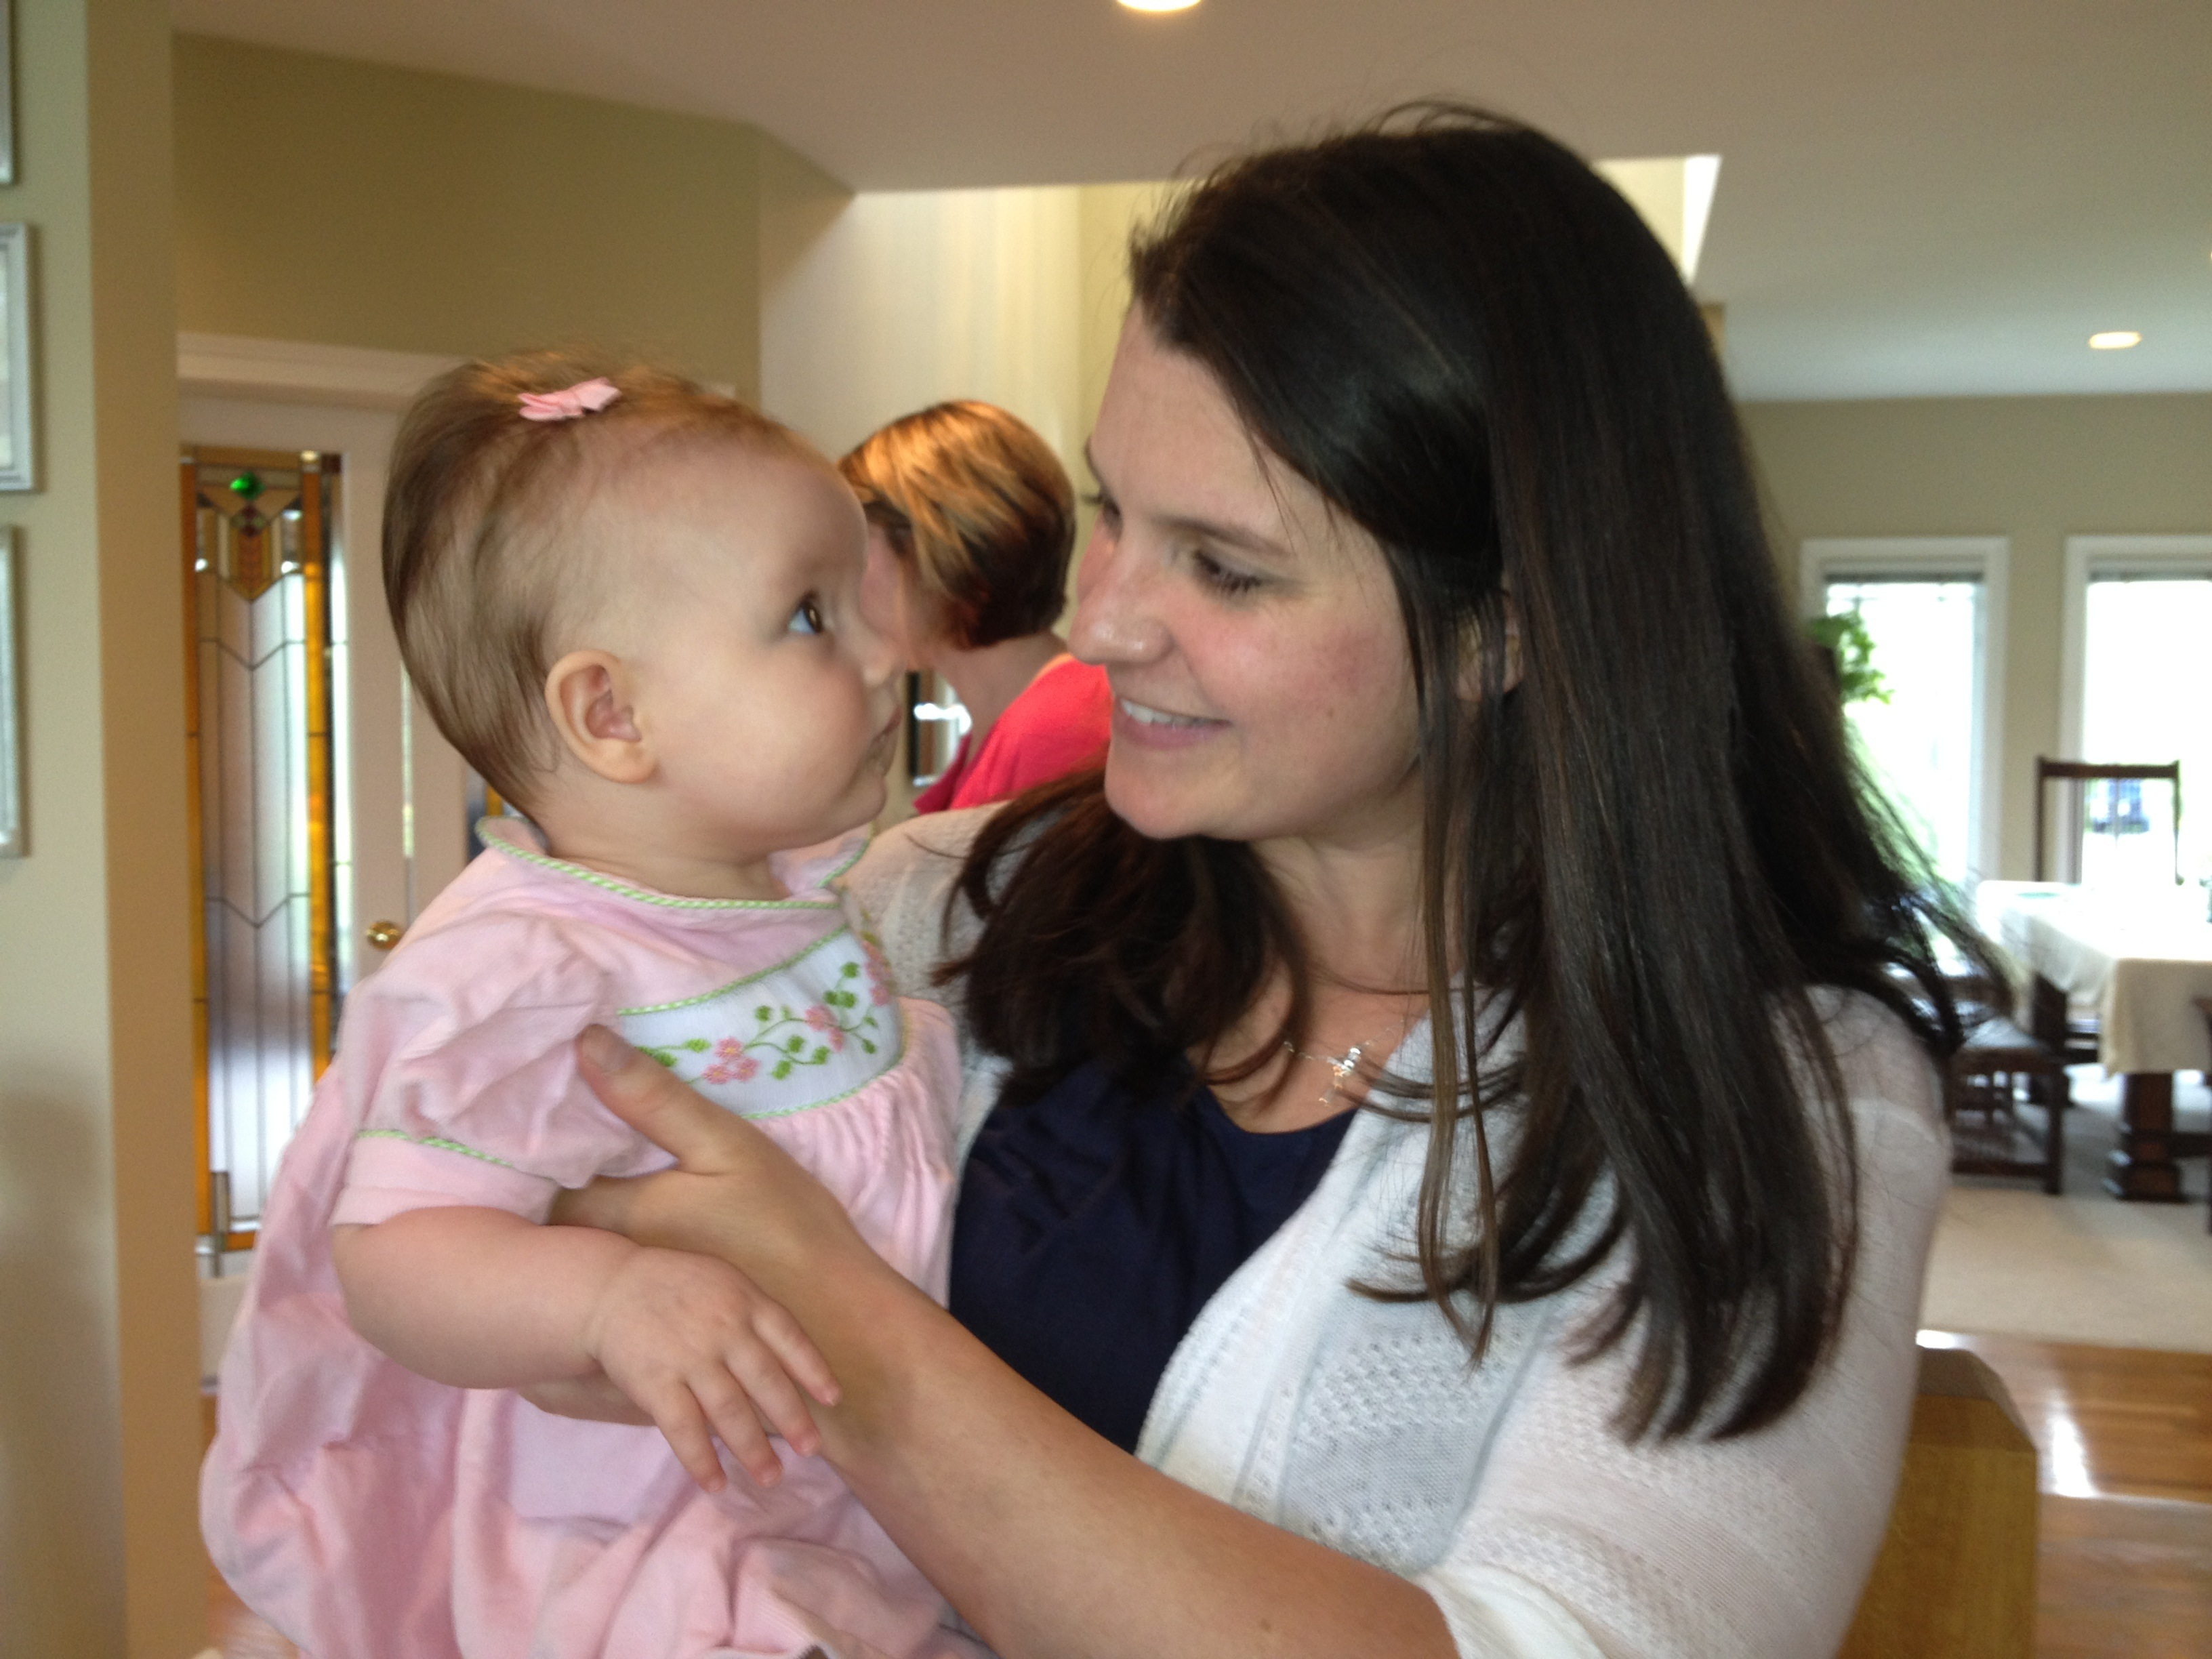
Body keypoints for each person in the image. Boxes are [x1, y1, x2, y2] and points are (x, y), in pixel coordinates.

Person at [538, 108, 1996, 1658]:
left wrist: (840, 1323)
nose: (1105, 624)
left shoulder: (1778, 1092)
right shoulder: (938, 911)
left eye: (1225, 567)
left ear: (1507, 624)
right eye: (1113, 512)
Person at [201, 355, 982, 1659]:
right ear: (611, 711)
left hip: (861, 1495)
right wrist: (609, 1297)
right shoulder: (534, 969)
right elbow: (394, 1256)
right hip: (658, 1533)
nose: (887, 652)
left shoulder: (794, 900)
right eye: (810, 614)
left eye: (862, 602)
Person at [839, 401, 1111, 813]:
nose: (846, 577)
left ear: (933, 547)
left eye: (858, 544)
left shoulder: (1057, 731)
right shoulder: (1014, 721)